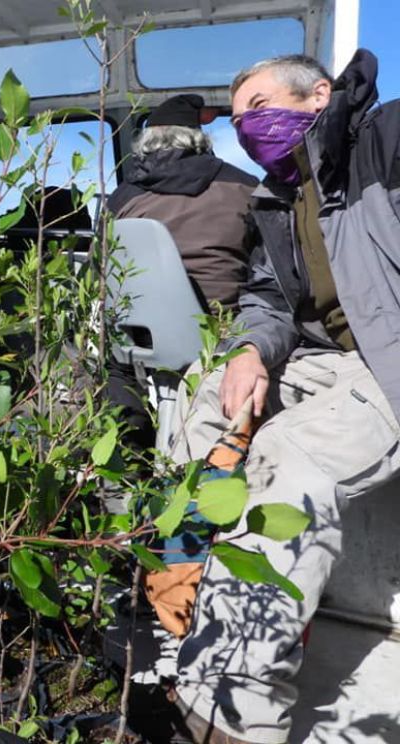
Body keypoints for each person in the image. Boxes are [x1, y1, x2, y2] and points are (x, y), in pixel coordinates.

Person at [166, 50, 400, 744]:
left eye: (261, 107)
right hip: (329, 359)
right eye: (239, 119)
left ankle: (236, 714)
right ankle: (185, 587)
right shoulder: (277, 197)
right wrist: (248, 352)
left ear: (319, 95)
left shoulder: (386, 142)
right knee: (203, 397)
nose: (248, 127)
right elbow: (268, 301)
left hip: (390, 358)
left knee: (285, 453)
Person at [106, 94, 258, 449]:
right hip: (221, 335)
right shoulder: (247, 186)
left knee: (116, 365)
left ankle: (130, 458)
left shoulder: (122, 198)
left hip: (145, 339)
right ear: (200, 139)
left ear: (146, 142)